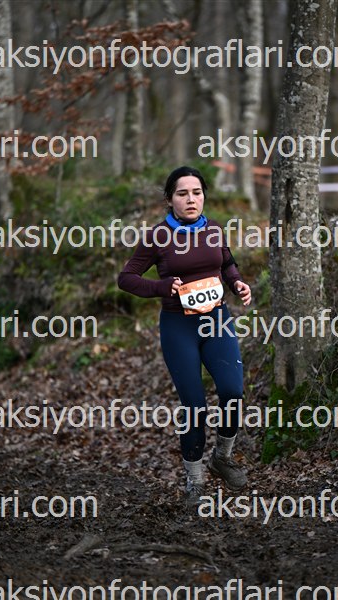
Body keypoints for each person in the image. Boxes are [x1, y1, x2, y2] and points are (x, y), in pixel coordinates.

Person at [118, 166, 251, 505]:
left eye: (197, 192)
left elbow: (226, 263)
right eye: (182, 193)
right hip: (179, 327)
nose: (191, 199)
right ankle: (195, 479)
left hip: (217, 321)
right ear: (169, 199)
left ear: (204, 196)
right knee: (194, 406)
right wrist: (161, 287)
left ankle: (222, 457)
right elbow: (126, 278)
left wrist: (237, 283)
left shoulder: (214, 229)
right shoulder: (158, 237)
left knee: (232, 392)